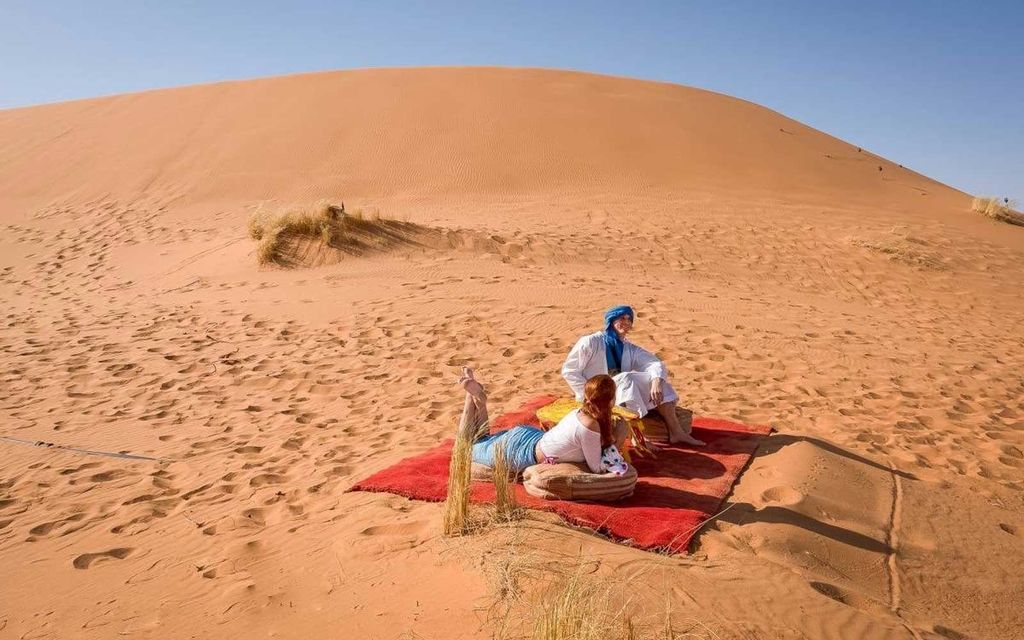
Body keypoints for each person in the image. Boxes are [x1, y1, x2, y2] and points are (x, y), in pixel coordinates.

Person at [561, 305, 705, 446]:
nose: (627, 322)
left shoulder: (629, 348)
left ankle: (676, 432)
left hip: (618, 394)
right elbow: (569, 371)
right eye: (622, 318)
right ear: (611, 320)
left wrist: (656, 382)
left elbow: (654, 363)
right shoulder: (590, 342)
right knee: (627, 378)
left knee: (657, 380)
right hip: (593, 397)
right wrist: (590, 395)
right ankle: (637, 436)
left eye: (629, 319)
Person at [457, 368, 628, 475]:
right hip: (522, 451)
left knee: (482, 439)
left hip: (529, 437)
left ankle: (478, 400)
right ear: (610, 401)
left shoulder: (581, 412)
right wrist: (618, 440)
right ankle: (471, 397)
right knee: (465, 449)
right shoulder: (591, 425)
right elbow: (596, 468)